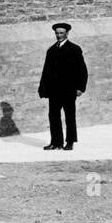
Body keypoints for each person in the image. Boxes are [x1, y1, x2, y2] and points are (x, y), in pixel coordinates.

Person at [38, 22, 87, 150]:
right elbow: (46, 71)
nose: (59, 35)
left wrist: (81, 88)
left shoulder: (74, 49)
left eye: (61, 33)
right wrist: (43, 88)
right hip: (54, 91)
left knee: (69, 116)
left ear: (67, 34)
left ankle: (70, 142)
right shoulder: (51, 50)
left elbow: (82, 70)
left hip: (69, 90)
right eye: (57, 33)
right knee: (53, 116)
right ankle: (56, 142)